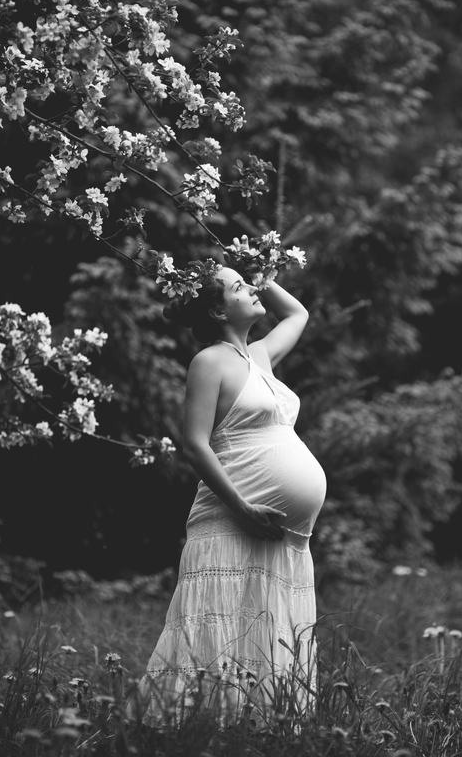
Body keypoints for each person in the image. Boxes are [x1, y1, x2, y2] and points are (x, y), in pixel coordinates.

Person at [130, 239, 327, 727]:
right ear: (218, 311)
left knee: (266, 630)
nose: (252, 290)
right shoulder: (210, 361)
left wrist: (256, 273)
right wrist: (242, 507)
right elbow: (194, 443)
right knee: (218, 632)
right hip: (234, 519)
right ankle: (189, 733)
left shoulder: (259, 356)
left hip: (283, 538)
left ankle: (258, 731)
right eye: (239, 288)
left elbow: (297, 314)